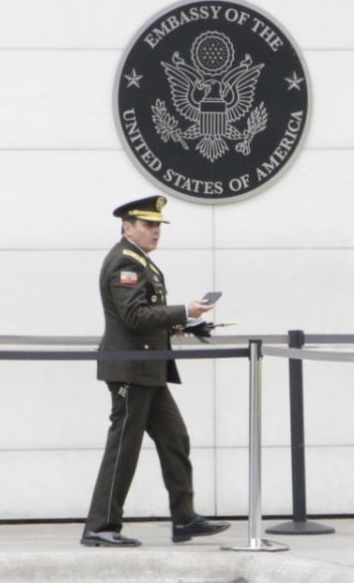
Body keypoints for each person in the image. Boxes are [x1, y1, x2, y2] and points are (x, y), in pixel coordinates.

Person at [80, 195, 229, 547]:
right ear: (127, 226)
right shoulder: (125, 263)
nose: (156, 231)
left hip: (147, 368)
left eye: (158, 225)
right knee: (124, 448)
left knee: (175, 438)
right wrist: (182, 311)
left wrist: (185, 325)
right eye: (148, 225)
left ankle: (185, 519)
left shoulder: (141, 262)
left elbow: (143, 317)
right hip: (131, 370)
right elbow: (133, 316)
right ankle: (100, 526)